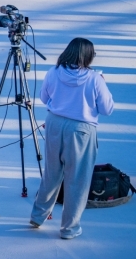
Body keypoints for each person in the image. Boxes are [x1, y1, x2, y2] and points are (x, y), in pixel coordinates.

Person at [30, 37, 114, 240]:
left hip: (54, 124)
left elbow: (44, 98)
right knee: (77, 180)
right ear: (87, 56)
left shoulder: (54, 72)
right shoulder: (94, 79)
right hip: (81, 130)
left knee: (51, 173)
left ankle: (38, 215)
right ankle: (69, 228)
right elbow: (107, 109)